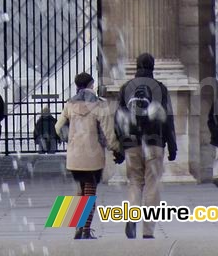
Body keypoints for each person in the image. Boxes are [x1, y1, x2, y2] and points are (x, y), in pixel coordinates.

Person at [115, 52, 177, 240]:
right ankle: (148, 231)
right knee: (152, 185)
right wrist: (172, 146)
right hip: (154, 142)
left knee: (134, 182)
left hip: (132, 142)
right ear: (153, 66)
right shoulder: (160, 88)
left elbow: (118, 118)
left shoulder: (126, 88)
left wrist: (119, 146)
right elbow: (168, 119)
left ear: (136, 66)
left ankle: (132, 216)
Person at [55, 72, 122, 240]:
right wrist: (116, 149)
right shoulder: (100, 105)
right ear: (92, 85)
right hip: (93, 155)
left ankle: (78, 227)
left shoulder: (70, 104)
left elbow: (58, 126)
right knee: (90, 192)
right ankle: (85, 229)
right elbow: (108, 133)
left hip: (75, 155)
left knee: (80, 191)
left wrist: (68, 139)